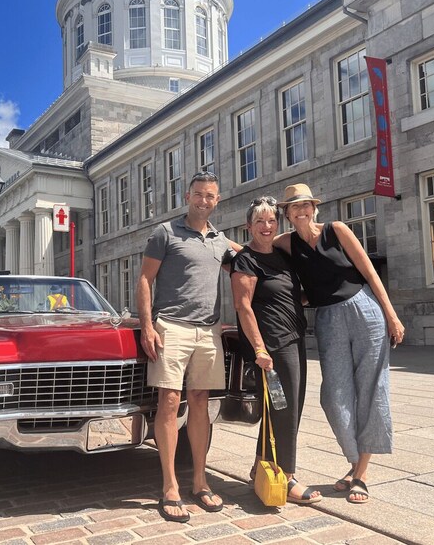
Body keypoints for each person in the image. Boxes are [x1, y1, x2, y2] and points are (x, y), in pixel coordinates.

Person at [274, 183, 405, 504]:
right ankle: (353, 462)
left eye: (306, 205)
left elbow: (369, 271)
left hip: (365, 310)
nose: (302, 211)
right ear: (287, 214)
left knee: (372, 388)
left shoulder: (337, 230)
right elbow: (255, 250)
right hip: (328, 320)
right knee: (334, 396)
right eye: (295, 207)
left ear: (313, 208)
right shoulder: (284, 243)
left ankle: (360, 474)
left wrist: (391, 314)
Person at [136, 171, 240, 523]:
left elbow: (253, 260)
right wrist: (148, 326)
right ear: (187, 195)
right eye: (198, 195)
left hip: (208, 331)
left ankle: (199, 480)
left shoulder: (220, 240)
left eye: (210, 196)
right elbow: (145, 280)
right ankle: (169, 486)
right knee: (168, 401)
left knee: (199, 403)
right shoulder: (165, 233)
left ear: (217, 199)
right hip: (172, 328)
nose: (203, 201)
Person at [230, 196, 321, 505]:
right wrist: (258, 348)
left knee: (281, 407)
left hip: (294, 338)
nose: (267, 226)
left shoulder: (283, 256)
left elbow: (294, 295)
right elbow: (243, 307)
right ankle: (288, 475)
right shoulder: (246, 259)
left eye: (271, 221)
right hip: (271, 346)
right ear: (249, 226)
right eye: (260, 221)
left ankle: (261, 466)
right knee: (286, 409)